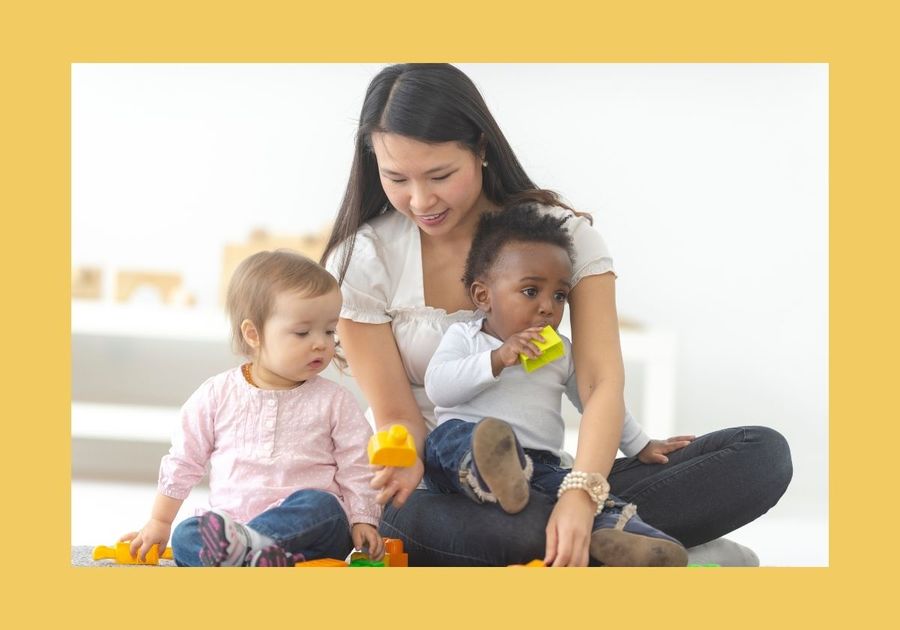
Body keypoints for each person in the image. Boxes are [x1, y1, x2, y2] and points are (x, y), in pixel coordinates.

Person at [322, 63, 792, 567]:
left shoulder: (561, 238)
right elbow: (398, 416)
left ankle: (592, 534)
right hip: (432, 482)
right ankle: (646, 544)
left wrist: (581, 492)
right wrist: (409, 465)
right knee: (504, 528)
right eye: (396, 178)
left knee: (761, 455)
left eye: (440, 175)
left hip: (548, 474)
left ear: (481, 149)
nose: (420, 200)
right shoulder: (363, 259)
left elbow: (597, 384)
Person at [422, 203, 688, 566]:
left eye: (559, 295)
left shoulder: (559, 351)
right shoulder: (466, 338)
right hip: (457, 460)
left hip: (538, 465)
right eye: (531, 292)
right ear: (484, 296)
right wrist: (498, 359)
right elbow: (438, 387)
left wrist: (640, 443)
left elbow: (596, 400)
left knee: (584, 489)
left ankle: (628, 538)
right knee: (449, 438)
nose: (548, 307)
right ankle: (491, 472)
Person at [120, 250, 383, 567]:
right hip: (232, 525)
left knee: (322, 507)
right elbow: (183, 460)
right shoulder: (217, 395)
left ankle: (249, 552)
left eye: (329, 331)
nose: (321, 343)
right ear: (253, 334)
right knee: (187, 534)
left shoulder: (335, 401)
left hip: (308, 531)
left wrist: (363, 518)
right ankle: (250, 556)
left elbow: (359, 464)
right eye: (302, 332)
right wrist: (160, 522)